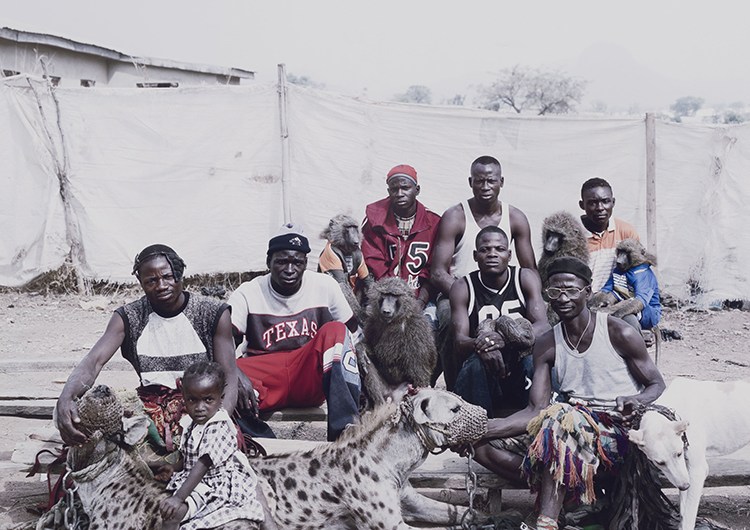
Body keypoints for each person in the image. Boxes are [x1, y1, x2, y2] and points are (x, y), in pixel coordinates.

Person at [472, 257, 665, 530]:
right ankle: (574, 496)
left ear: (587, 292)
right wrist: (480, 431)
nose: (563, 298)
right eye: (555, 292)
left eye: (571, 290)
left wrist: (636, 401)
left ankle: (547, 521)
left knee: (560, 418)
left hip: (616, 432)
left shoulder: (618, 331)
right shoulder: (547, 342)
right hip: (565, 429)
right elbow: (535, 410)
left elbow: (656, 384)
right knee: (479, 444)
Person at [55, 244, 251, 469]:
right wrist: (66, 397)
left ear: (179, 274)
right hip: (152, 412)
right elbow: (93, 361)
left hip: (202, 406)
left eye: (167, 276)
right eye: (151, 281)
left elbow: (228, 376)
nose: (161, 285)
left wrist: (219, 421)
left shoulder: (212, 313)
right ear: (140, 282)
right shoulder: (129, 317)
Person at [229, 226, 360, 441]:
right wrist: (234, 372)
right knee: (224, 375)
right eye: (282, 262)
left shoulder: (325, 285)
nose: (290, 269)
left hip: (308, 373)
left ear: (305, 264)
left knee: (336, 331)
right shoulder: (248, 291)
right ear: (268, 262)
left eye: (297, 262)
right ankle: (260, 439)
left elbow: (353, 334)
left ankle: (344, 432)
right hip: (266, 376)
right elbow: (223, 340)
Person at [431, 155, 537, 389]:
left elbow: (530, 269)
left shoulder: (515, 217)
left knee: (533, 320)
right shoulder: (456, 216)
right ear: (471, 182)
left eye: (491, 181)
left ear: (501, 182)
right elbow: (438, 273)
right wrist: (471, 296)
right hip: (460, 291)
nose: (486, 187)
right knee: (449, 318)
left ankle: (521, 386)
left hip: (503, 289)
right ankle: (456, 389)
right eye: (479, 181)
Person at [450, 226, 549, 417]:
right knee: (475, 364)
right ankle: (476, 428)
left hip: (519, 361)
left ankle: (539, 419)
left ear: (509, 254)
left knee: (534, 359)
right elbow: (460, 341)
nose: (492, 254)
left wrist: (503, 339)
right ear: (475, 255)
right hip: (485, 367)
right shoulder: (463, 286)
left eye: (499, 249)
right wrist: (486, 347)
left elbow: (543, 326)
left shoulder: (525, 278)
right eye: (485, 249)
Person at [161, 361, 265, 530]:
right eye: (192, 400)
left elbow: (202, 464)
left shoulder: (218, 426)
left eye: (208, 400)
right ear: (184, 398)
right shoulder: (192, 423)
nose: (200, 408)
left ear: (221, 397)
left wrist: (178, 498)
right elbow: (190, 456)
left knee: (174, 512)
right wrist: (174, 467)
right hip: (197, 479)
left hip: (214, 483)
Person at [361, 164, 441, 311]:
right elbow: (372, 264)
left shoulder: (434, 223)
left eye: (405, 188)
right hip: (383, 295)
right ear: (388, 191)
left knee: (430, 325)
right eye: (394, 189)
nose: (399, 193)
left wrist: (421, 301)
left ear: (417, 190)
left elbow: (434, 269)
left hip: (421, 296)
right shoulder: (374, 220)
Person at [579, 177, 640, 292]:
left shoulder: (627, 232)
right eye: (592, 203)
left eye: (605, 201)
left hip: (618, 299)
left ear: (613, 202)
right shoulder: (573, 236)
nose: (600, 208)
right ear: (582, 205)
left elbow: (637, 271)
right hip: (584, 303)